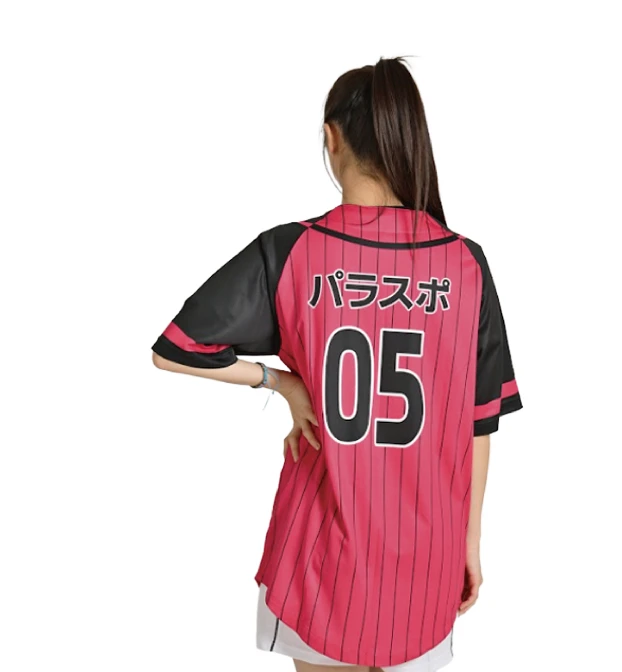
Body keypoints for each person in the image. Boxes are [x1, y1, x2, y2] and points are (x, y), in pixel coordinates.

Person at [151, 56, 522, 672]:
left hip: (320, 564)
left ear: (331, 137)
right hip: (426, 562)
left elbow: (176, 348)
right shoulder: (466, 265)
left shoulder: (292, 250)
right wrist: (470, 540)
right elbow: (480, 421)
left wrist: (280, 381)